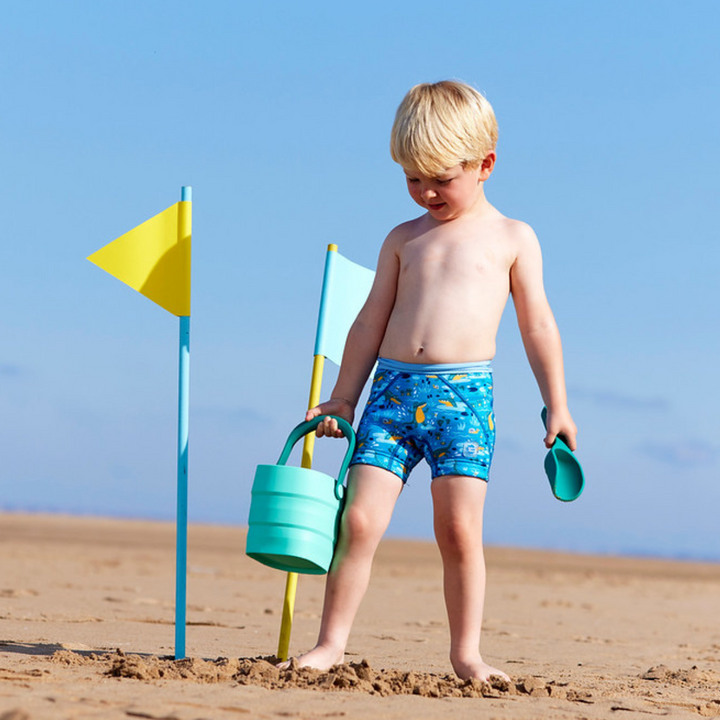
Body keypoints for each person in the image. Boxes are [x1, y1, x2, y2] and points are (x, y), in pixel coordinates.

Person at [285, 80, 577, 682]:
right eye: (413, 178)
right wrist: (344, 393)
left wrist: (558, 405)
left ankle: (465, 653)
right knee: (358, 521)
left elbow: (539, 326)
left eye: (440, 178)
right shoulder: (403, 238)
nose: (425, 191)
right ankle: (330, 643)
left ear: (485, 164)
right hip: (390, 396)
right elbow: (369, 322)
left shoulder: (513, 239)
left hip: (464, 401)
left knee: (457, 530)